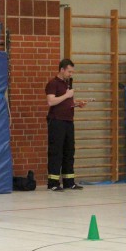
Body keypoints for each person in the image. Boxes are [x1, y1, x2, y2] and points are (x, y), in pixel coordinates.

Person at [45, 58, 87, 191]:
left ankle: (69, 181)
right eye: (69, 71)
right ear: (62, 70)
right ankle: (53, 183)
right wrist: (67, 95)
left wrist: (77, 104)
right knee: (56, 152)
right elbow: (51, 102)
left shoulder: (67, 84)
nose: (71, 74)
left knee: (69, 151)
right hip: (56, 121)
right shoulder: (53, 83)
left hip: (68, 121)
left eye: (72, 72)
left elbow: (66, 103)